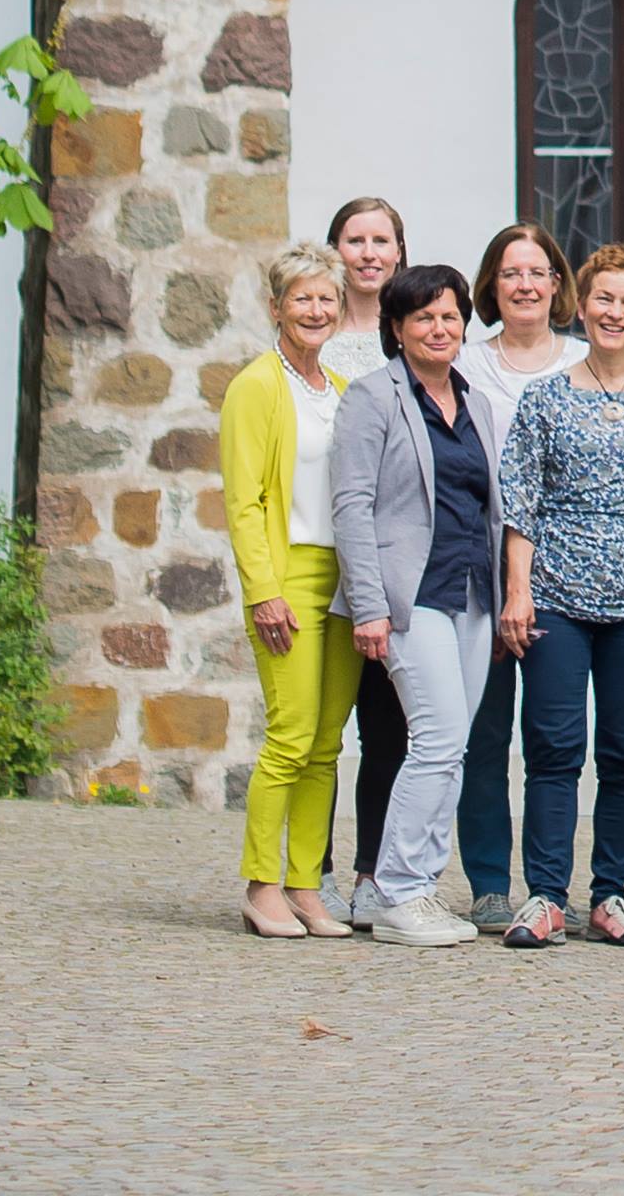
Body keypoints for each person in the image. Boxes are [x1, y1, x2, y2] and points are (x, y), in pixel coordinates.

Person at [496, 239, 624, 949]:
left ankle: (611, 894)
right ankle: (545, 896)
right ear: (580, 305)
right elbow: (521, 504)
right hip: (556, 594)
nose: (614, 312)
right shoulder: (544, 398)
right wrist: (517, 593)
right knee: (553, 748)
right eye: (603, 298)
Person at [331, 263, 510, 950]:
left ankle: (420, 887)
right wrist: (369, 606)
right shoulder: (373, 398)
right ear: (397, 330)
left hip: (469, 594)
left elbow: (488, 508)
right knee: (434, 741)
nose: (440, 328)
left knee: (454, 749)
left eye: (449, 316)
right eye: (423, 318)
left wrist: (499, 602)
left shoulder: (478, 404)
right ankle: (396, 889)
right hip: (409, 597)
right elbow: (352, 505)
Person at [222, 241, 358, 939]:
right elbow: (243, 501)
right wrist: (263, 590)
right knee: (290, 734)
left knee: (328, 744)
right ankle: (261, 884)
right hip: (288, 577)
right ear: (276, 307)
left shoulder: (336, 391)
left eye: (325, 299)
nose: (315, 309)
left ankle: (307, 885)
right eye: (302, 298)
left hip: (343, 581)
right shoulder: (256, 385)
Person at [452, 223, 582, 929]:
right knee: (482, 732)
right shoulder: (464, 362)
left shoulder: (588, 364)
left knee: (553, 737)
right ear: (491, 287)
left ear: (558, 284)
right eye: (511, 274)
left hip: (563, 573)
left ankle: (547, 882)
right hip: (476, 566)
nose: (526, 285)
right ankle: (487, 882)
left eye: (537, 272)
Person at [324, 191, 409, 924]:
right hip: (323, 547)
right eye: (355, 240)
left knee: (388, 729)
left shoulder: (414, 341)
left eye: (381, 240)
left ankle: (370, 873)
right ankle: (309, 868)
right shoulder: (313, 338)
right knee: (322, 727)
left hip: (392, 560)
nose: (369, 253)